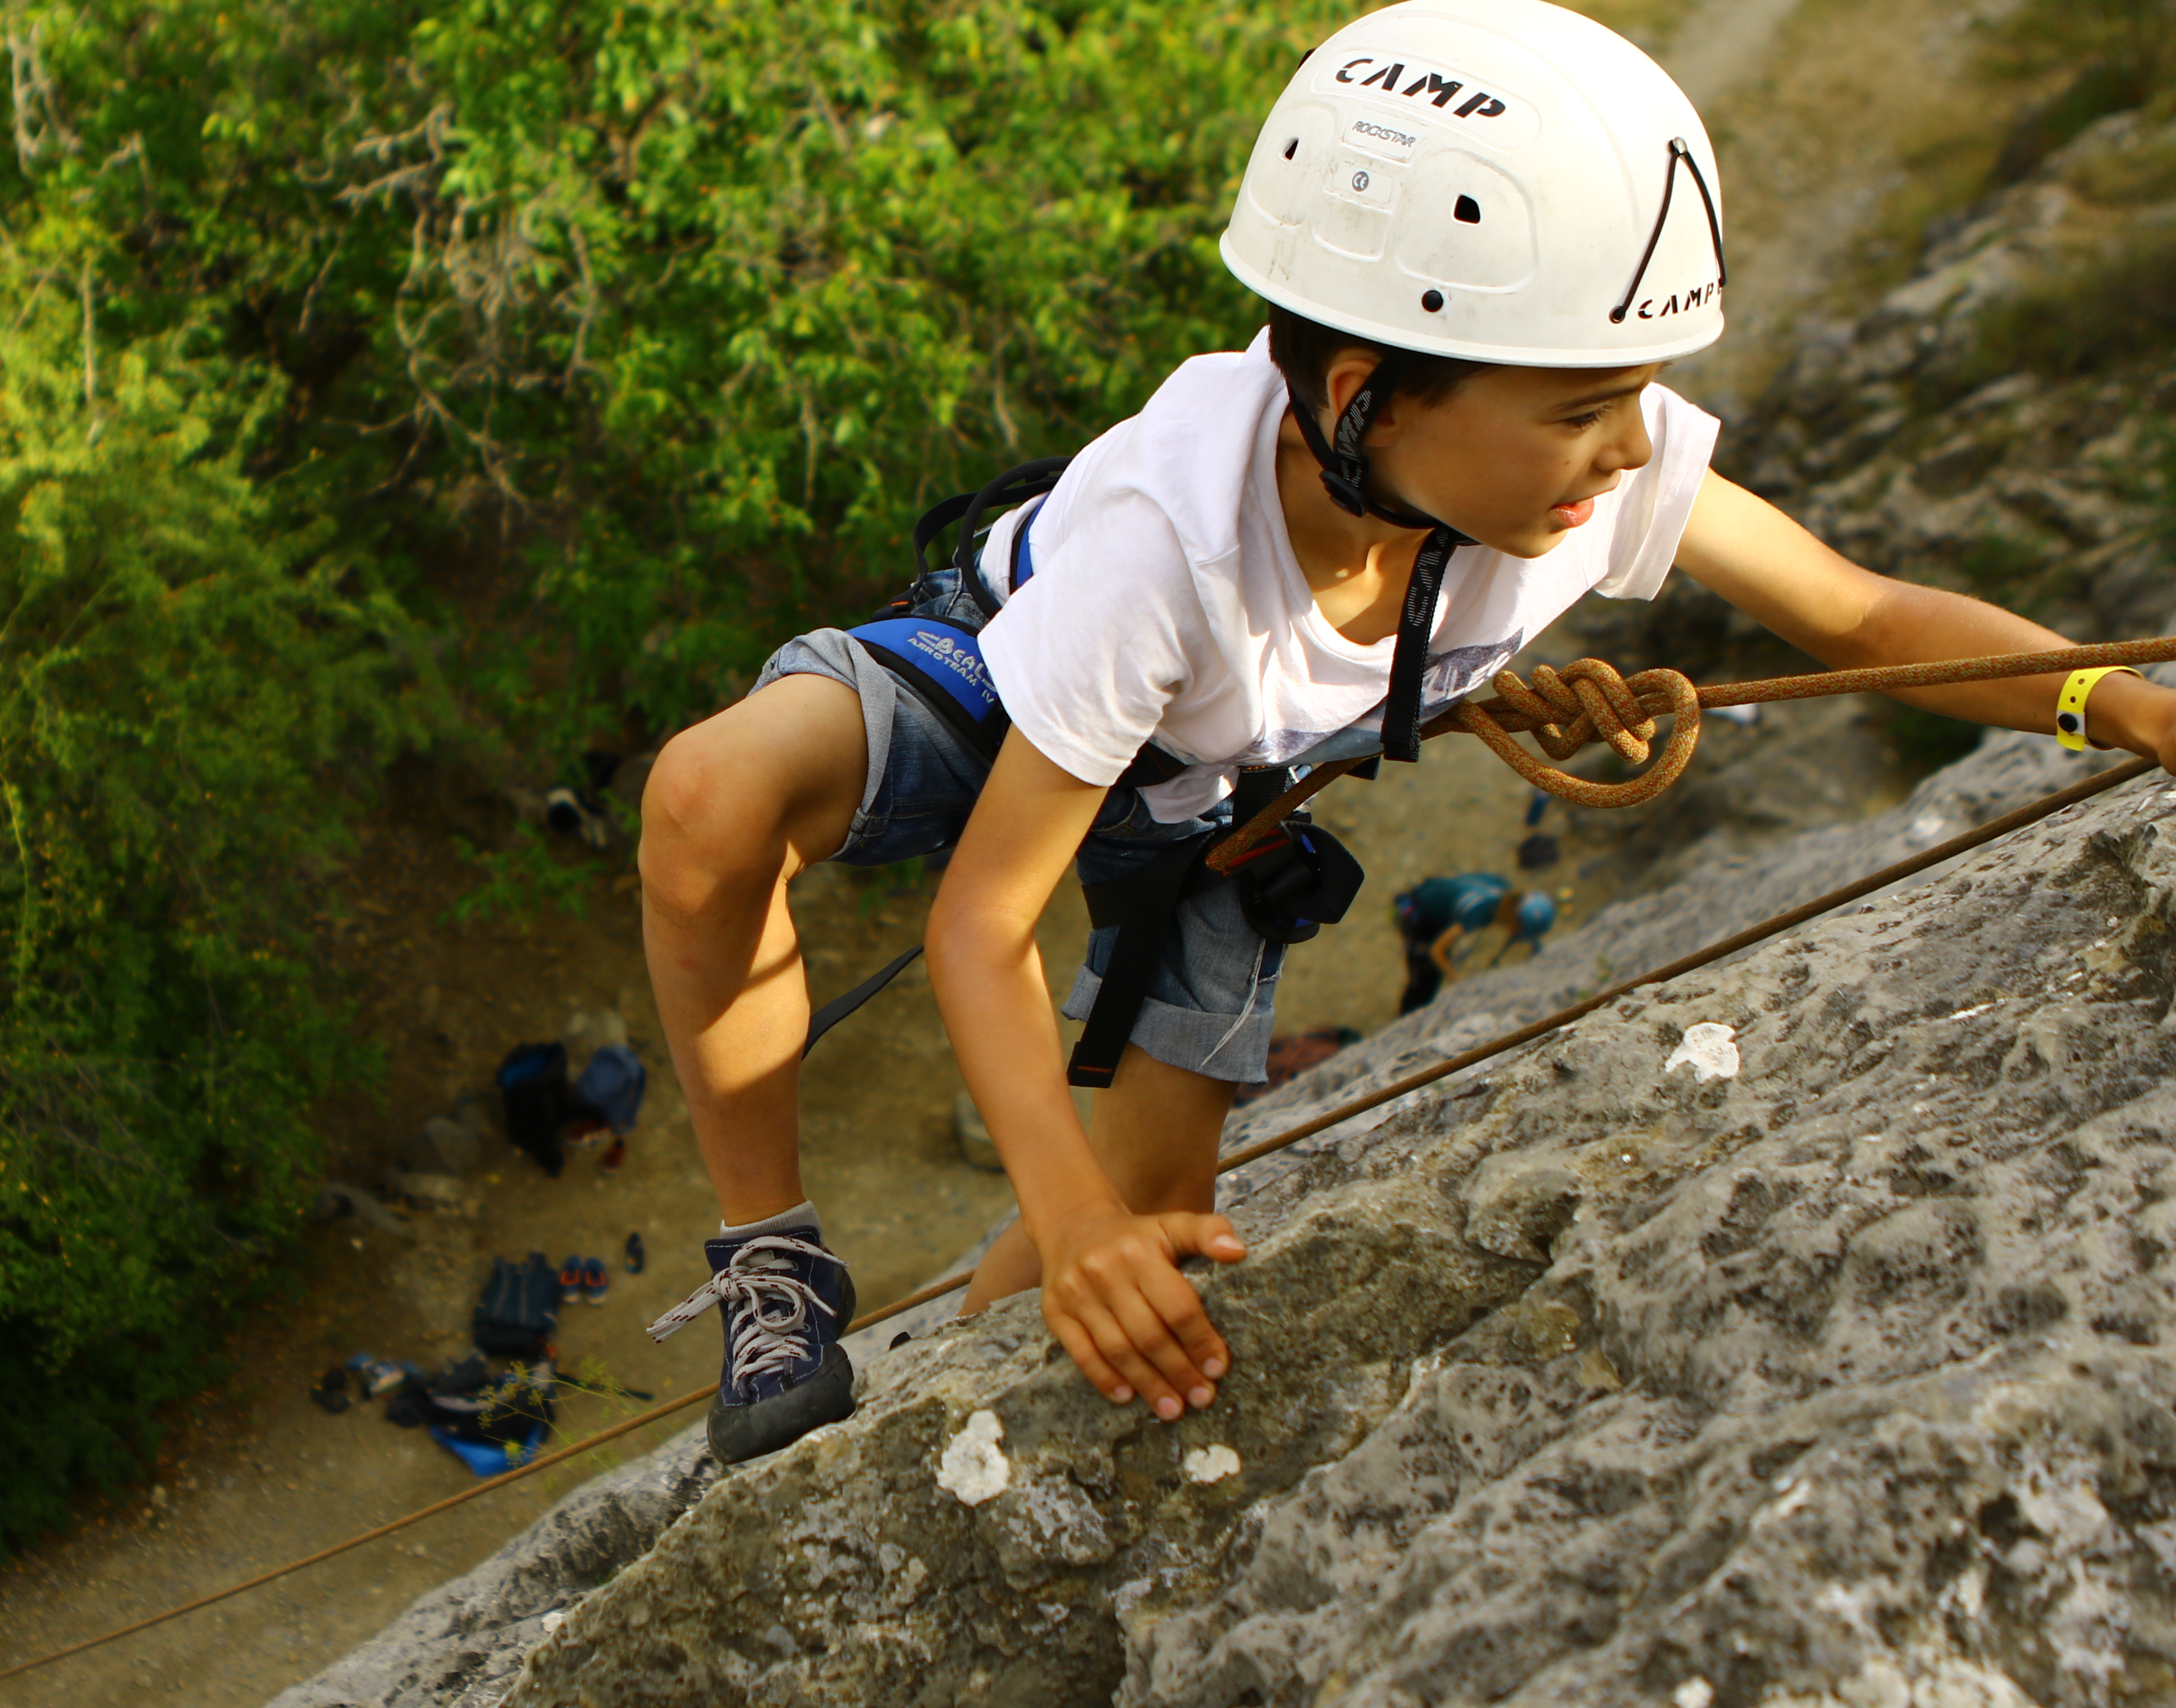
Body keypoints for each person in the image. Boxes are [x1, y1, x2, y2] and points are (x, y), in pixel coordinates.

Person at [636, 0, 2176, 1463]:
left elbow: (1861, 620)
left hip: (1217, 798)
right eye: (1587, 406)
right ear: (1368, 395)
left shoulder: (1571, 469)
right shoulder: (1167, 552)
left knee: (1128, 1238)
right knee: (714, 794)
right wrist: (1065, 1193)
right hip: (1010, 686)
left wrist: (2119, 703)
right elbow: (983, 921)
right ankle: (777, 1266)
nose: (1633, 448)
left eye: (1634, 397)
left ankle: (938, 1405)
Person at [1394, 873, 1551, 1011]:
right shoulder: (1476, 912)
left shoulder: (1502, 888)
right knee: (1426, 977)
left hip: (1433, 895)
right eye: (1519, 929)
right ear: (1514, 918)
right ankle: (1407, 1013)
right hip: (1419, 913)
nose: (1516, 934)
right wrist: (1459, 983)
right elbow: (1437, 951)